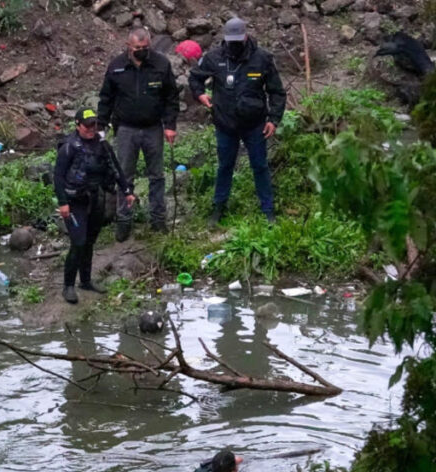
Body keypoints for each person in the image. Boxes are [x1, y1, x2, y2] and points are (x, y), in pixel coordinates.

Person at [189, 17, 286, 226]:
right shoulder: (214, 58)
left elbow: (277, 92)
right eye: (231, 40)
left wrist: (274, 119)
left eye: (238, 40)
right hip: (225, 124)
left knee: (260, 166)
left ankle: (268, 209)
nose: (234, 44)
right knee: (225, 166)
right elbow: (195, 77)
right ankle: (219, 207)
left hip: (255, 124)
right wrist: (200, 94)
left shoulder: (262, 59)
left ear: (246, 36)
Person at [97, 27, 180, 239]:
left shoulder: (161, 64)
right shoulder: (116, 66)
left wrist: (170, 125)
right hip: (126, 129)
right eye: (137, 48)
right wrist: (101, 126)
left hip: (153, 128)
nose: (142, 51)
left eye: (145, 47)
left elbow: (171, 97)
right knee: (124, 177)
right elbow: (106, 98)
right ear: (128, 46)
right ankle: (124, 220)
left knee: (157, 176)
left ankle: (158, 219)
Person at [54, 108, 133, 304]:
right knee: (78, 243)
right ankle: (68, 286)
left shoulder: (102, 145)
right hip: (75, 202)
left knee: (89, 242)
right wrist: (63, 203)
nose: (91, 129)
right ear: (77, 125)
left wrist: (127, 191)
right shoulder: (69, 147)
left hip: (96, 198)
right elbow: (58, 177)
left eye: (94, 125)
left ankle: (86, 281)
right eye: (87, 126)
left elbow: (116, 168)